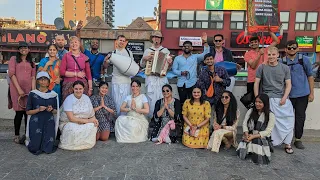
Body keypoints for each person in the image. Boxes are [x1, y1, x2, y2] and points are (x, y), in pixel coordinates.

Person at [254, 46, 294, 154]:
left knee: (289, 120)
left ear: (277, 55)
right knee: (269, 122)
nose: (271, 56)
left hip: (281, 98)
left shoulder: (285, 68)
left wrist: (285, 98)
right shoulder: (261, 67)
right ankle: (269, 142)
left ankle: (288, 143)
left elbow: (288, 85)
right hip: (267, 99)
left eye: (273, 54)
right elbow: (256, 83)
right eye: (269, 54)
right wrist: (257, 98)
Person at [280, 40, 314, 149]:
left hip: (302, 94)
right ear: (285, 49)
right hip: (288, 96)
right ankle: (285, 139)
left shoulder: (304, 60)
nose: (291, 50)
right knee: (285, 118)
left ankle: (298, 139)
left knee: (300, 117)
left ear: (298, 49)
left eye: (294, 48)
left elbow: (310, 76)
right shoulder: (281, 62)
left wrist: (311, 93)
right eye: (289, 48)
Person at [8, 42, 36, 144]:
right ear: (19, 50)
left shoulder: (31, 62)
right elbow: (11, 74)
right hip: (16, 89)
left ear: (28, 49)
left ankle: (27, 134)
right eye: (21, 48)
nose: (23, 49)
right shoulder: (13, 59)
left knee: (27, 113)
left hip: (29, 90)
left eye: (25, 48)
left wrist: (33, 91)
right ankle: (16, 135)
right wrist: (19, 89)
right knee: (19, 112)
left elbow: (33, 77)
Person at [25, 72, 59, 155]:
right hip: (36, 122)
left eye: (45, 79)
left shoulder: (54, 95)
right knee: (35, 147)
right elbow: (28, 111)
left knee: (49, 147)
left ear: (48, 81)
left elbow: (56, 111)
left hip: (49, 121)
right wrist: (38, 109)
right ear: (38, 81)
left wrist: (51, 110)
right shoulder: (33, 94)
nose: (43, 81)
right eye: (41, 79)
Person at [59, 81, 99, 150]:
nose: (78, 91)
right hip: (69, 122)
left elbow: (91, 114)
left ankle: (85, 144)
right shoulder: (69, 99)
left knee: (92, 126)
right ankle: (73, 144)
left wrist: (95, 120)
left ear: (83, 89)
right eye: (76, 89)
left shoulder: (86, 98)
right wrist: (89, 120)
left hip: (84, 121)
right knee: (72, 128)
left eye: (80, 89)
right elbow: (71, 118)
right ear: (73, 89)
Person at [172, 33, 210, 106]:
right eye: (185, 46)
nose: (186, 47)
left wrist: (205, 42)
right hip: (181, 84)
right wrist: (181, 73)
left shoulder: (195, 57)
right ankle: (182, 117)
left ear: (191, 48)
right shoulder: (177, 58)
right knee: (182, 103)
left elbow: (206, 54)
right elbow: (174, 70)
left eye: (188, 46)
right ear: (182, 48)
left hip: (193, 83)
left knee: (193, 103)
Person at [237, 93, 275, 165]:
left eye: (260, 102)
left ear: (265, 103)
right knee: (246, 140)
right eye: (256, 102)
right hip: (250, 134)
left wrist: (254, 136)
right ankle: (251, 149)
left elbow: (268, 131)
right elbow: (244, 123)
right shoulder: (251, 111)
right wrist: (246, 133)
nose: (257, 104)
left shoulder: (270, 115)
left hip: (262, 136)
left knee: (257, 140)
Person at [140, 31, 172, 117]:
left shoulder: (165, 51)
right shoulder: (147, 51)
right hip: (151, 78)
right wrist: (144, 59)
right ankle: (152, 118)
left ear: (161, 39)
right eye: (154, 37)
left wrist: (170, 63)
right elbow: (142, 65)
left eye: (158, 37)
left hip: (161, 78)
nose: (156, 39)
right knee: (151, 99)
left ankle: (162, 118)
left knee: (163, 97)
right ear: (152, 39)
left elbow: (168, 68)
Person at [197, 53, 230, 127]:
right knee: (205, 115)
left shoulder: (221, 70)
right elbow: (199, 85)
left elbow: (228, 82)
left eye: (211, 59)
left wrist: (220, 80)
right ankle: (207, 133)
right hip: (207, 98)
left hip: (220, 97)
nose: (209, 61)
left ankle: (218, 132)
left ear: (214, 60)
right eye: (207, 59)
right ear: (205, 61)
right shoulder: (203, 73)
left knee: (220, 115)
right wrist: (204, 94)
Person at [105, 35, 134, 117]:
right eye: (120, 40)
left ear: (125, 43)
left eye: (123, 41)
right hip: (116, 82)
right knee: (115, 102)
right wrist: (105, 61)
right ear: (116, 41)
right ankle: (115, 122)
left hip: (126, 82)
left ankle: (123, 122)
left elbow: (132, 66)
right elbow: (105, 66)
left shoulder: (129, 53)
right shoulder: (113, 53)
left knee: (125, 103)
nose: (121, 42)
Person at [244, 29, 279, 95]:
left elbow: (276, 41)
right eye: (252, 42)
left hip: (265, 80)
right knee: (253, 102)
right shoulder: (247, 54)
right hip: (252, 80)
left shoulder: (266, 50)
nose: (254, 43)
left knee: (264, 101)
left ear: (259, 43)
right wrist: (259, 54)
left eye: (255, 42)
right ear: (250, 44)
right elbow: (253, 66)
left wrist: (270, 31)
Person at [60, 36, 93, 101]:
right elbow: (62, 72)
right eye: (72, 42)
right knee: (68, 104)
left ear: (79, 43)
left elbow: (89, 75)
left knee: (81, 105)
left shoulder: (85, 57)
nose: (74, 44)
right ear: (69, 45)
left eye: (76, 42)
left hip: (82, 84)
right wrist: (76, 74)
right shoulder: (66, 56)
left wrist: (90, 88)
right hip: (69, 84)